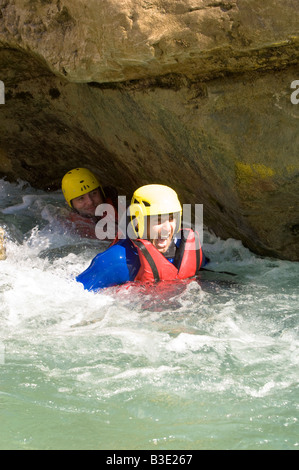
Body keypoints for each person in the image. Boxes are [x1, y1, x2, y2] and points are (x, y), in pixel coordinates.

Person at [76, 184, 208, 291]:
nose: (167, 228)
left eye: (172, 219)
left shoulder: (190, 249)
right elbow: (74, 295)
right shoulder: (117, 260)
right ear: (138, 223)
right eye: (159, 220)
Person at [61, 168, 119, 239]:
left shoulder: (118, 207)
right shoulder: (68, 228)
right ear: (70, 204)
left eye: (94, 193)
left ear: (101, 192)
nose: (90, 202)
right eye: (81, 198)